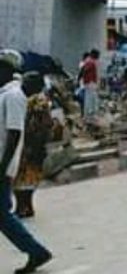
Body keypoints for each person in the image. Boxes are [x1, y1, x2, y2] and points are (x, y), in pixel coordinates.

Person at [0, 53, 53, 273]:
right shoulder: (7, 93)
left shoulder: (13, 95)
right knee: (3, 214)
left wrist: (2, 168)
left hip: (2, 164)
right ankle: (36, 251)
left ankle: (36, 251)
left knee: (3, 214)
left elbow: (14, 133)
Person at [14, 72, 52, 218]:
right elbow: (48, 124)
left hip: (28, 143)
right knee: (32, 175)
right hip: (37, 144)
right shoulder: (43, 100)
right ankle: (28, 206)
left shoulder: (33, 100)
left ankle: (21, 207)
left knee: (21, 176)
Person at [79, 49, 100, 121]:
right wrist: (79, 79)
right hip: (90, 82)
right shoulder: (90, 61)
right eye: (97, 55)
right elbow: (83, 70)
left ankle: (89, 115)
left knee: (91, 99)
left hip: (89, 82)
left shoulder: (89, 61)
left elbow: (83, 70)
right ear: (93, 54)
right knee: (90, 99)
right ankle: (88, 116)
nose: (98, 57)